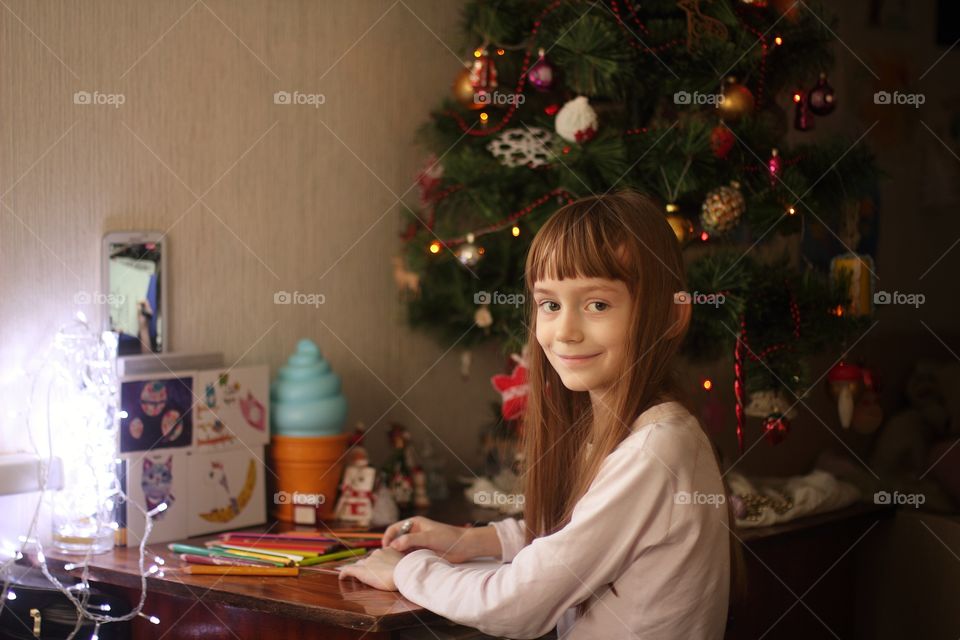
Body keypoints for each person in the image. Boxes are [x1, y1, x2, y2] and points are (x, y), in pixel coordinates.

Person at [340, 191, 742, 639]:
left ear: (671, 315)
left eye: (598, 305)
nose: (565, 331)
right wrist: (471, 540)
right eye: (550, 304)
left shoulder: (656, 450)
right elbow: (580, 537)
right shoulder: (640, 432)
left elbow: (517, 607)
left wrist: (408, 570)